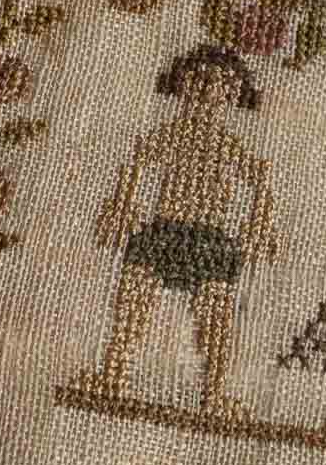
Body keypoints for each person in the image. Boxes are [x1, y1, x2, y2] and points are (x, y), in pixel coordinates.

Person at [85, 45, 276, 417]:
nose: (210, 92)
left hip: (210, 241)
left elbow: (260, 184)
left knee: (216, 319)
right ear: (182, 85)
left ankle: (215, 393)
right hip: (163, 232)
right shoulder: (169, 135)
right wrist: (122, 206)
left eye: (223, 85)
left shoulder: (228, 145)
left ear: (235, 95)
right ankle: (113, 374)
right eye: (201, 81)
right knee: (133, 303)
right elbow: (136, 166)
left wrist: (260, 225)